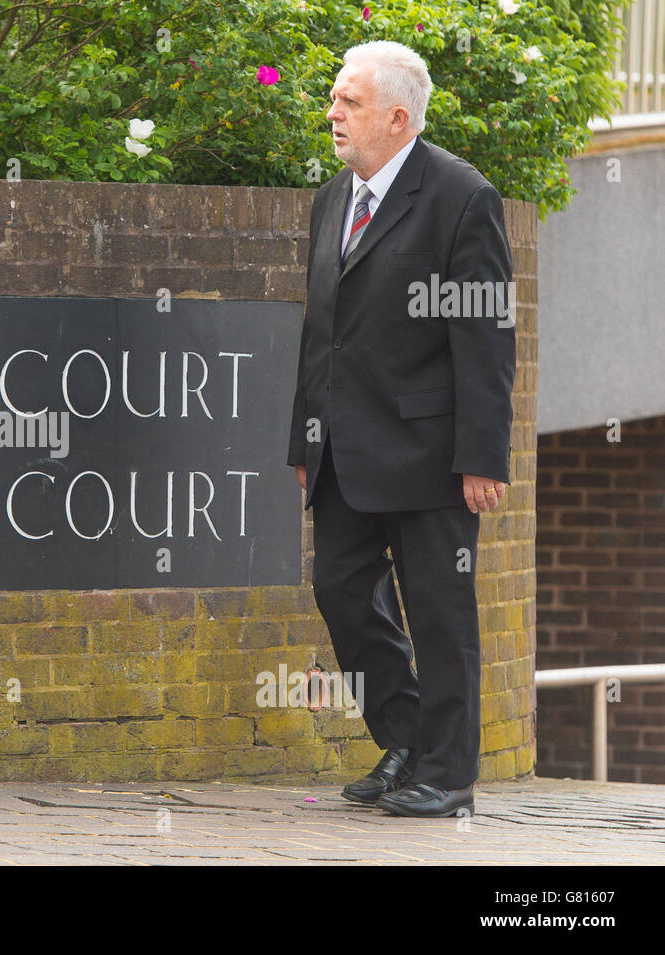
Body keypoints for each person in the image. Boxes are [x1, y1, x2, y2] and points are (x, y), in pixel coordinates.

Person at [286, 40, 517, 818]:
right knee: (339, 589)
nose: (333, 112)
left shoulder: (461, 196)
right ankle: (408, 736)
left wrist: (483, 455)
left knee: (439, 610)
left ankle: (447, 773)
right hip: (343, 450)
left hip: (430, 453)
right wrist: (302, 439)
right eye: (333, 98)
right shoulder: (331, 200)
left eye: (347, 101)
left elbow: (485, 338)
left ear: (395, 115)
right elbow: (322, 330)